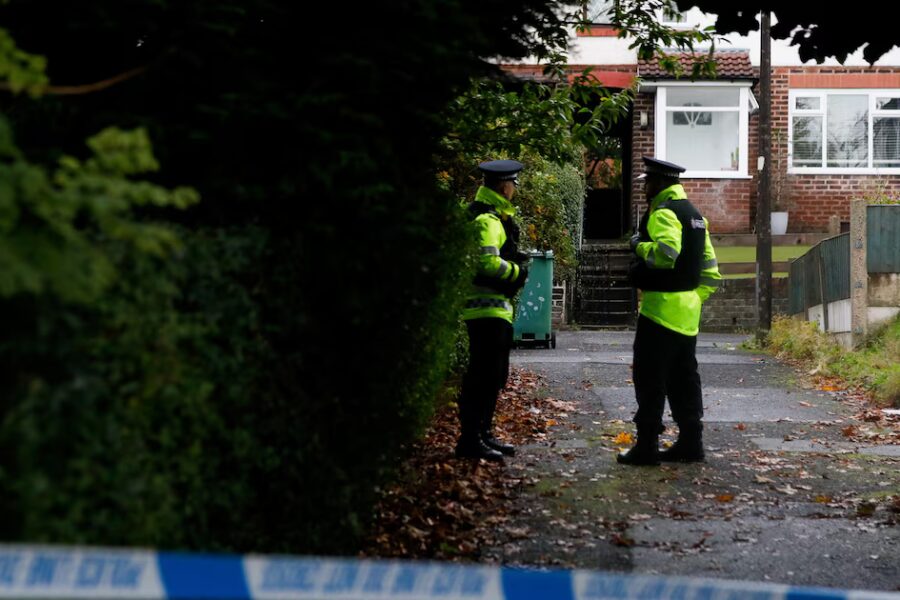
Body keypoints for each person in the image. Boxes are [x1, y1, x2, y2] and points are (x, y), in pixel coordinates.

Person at [618, 156, 722, 466]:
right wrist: (692, 298)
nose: (645, 188)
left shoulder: (663, 213)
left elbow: (666, 254)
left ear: (660, 183)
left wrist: (638, 245)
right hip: (687, 313)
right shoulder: (695, 216)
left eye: (647, 182)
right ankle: (691, 442)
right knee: (684, 379)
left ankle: (646, 446)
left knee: (650, 379)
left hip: (659, 310)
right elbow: (712, 270)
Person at [456, 159, 530, 461]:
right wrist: (517, 272)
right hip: (485, 312)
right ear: (503, 186)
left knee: (493, 377)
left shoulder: (494, 217)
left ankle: (483, 434)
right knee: (482, 377)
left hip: (494, 311)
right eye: (513, 184)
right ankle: (471, 440)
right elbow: (486, 263)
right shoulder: (488, 220)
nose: (514, 190)